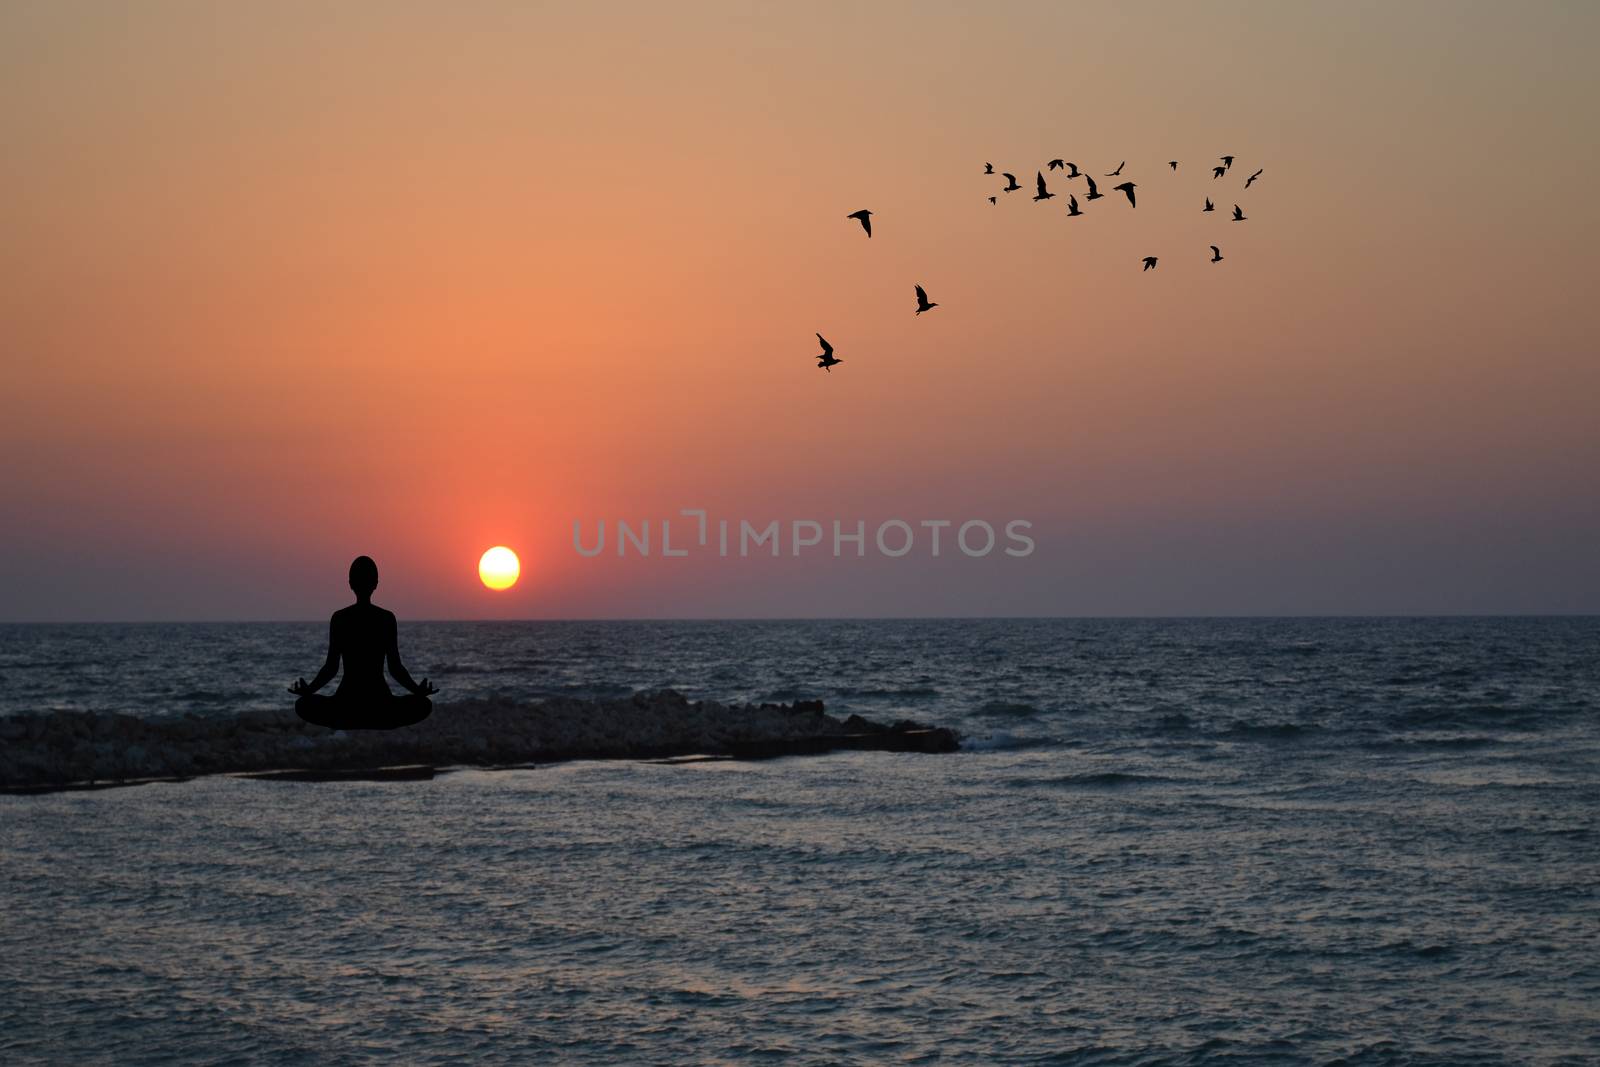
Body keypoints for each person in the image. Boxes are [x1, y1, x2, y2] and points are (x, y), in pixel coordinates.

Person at [289, 556, 437, 730]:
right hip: (380, 703)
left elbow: (331, 668)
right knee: (423, 704)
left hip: (346, 703)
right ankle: (378, 720)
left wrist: (309, 690)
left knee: (303, 704)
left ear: (351, 584)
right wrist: (417, 691)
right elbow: (395, 668)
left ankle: (349, 720)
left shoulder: (340, 618)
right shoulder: (386, 618)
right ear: (375, 584)